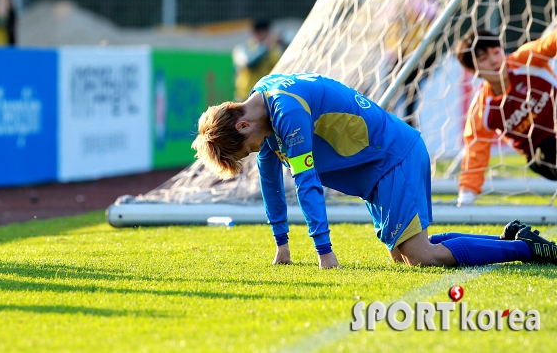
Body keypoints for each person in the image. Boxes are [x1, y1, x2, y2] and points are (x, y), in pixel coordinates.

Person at [192, 72, 557, 268]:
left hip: (393, 157)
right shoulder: (265, 109)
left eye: (249, 148)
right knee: (403, 255)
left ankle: (526, 250)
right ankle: (514, 238)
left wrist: (325, 253)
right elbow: (271, 182)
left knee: (420, 256)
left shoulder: (287, 111)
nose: (257, 151)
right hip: (379, 169)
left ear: (242, 126)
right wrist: (282, 247)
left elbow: (307, 183)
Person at [455, 28, 557, 206]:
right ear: (474, 70)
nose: (494, 61)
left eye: (496, 52)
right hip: (542, 153)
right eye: (484, 59)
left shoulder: (525, 61)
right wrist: (465, 199)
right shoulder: (483, 109)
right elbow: (475, 153)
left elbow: (548, 44)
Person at [232, 19, 283, 102]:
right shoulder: (243, 48)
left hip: (268, 97)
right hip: (246, 97)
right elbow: (249, 63)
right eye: (262, 32)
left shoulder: (273, 50)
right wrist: (265, 47)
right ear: (255, 33)